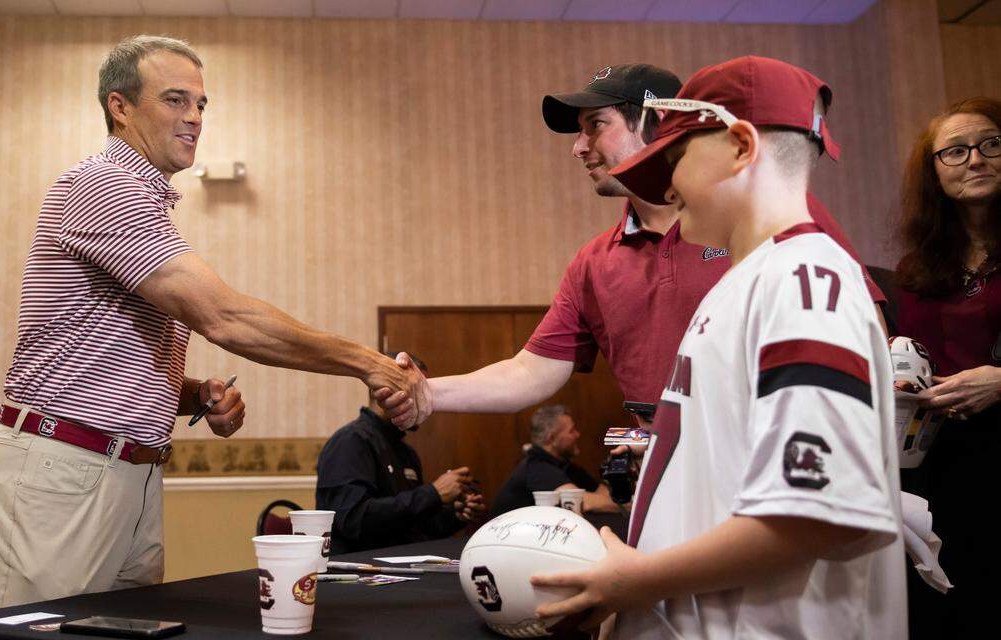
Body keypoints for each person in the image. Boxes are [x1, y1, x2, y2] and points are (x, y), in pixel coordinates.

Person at [0, 35, 423, 609]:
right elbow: (225, 318)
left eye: (201, 104)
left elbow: (99, 362)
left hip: (130, 478)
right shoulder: (103, 184)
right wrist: (371, 363)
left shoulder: (148, 202)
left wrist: (195, 396)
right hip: (62, 474)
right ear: (120, 106)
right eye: (175, 100)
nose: (195, 117)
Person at [531, 56, 905, 640]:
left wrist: (638, 581)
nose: (669, 186)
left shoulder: (803, 281)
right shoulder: (746, 281)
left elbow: (814, 515)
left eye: (675, 160)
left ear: (738, 146)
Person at [379, 63, 886, 435]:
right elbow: (529, 371)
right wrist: (429, 391)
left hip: (768, 460)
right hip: (663, 474)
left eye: (595, 125)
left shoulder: (767, 214)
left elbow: (868, 334)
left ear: (658, 125)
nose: (578, 148)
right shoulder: (593, 263)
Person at [894, 96, 1001, 639]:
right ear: (933, 173)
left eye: (991, 144)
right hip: (939, 466)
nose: (975, 160)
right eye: (954, 152)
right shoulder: (915, 268)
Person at [316, 353, 485, 554]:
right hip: (357, 570)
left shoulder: (406, 452)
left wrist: (454, 515)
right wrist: (433, 493)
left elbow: (414, 529)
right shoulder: (351, 441)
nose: (426, 402)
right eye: (416, 392)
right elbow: (353, 520)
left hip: (401, 565)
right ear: (381, 391)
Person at [490, 405, 619, 516]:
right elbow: (582, 502)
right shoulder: (536, 467)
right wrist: (631, 507)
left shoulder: (566, 466)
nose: (577, 435)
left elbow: (605, 496)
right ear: (551, 438)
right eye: (571, 431)